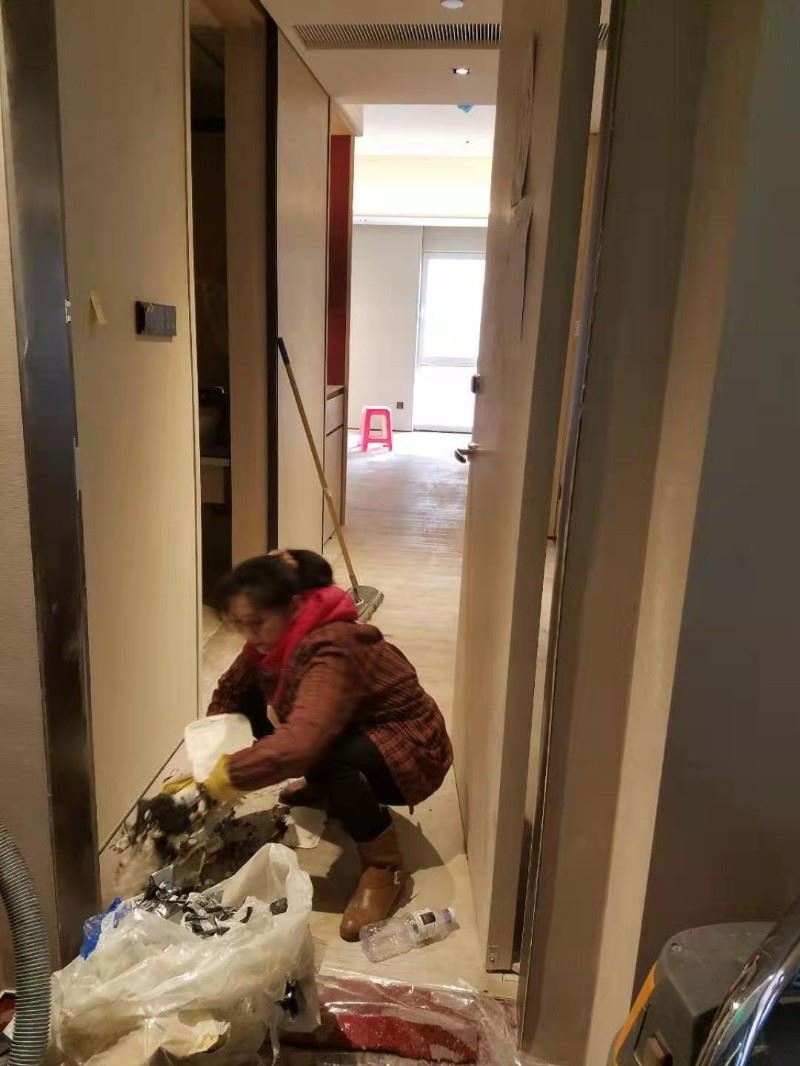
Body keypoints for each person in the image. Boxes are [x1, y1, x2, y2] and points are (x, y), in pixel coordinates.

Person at [193, 549, 453, 941]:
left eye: (257, 623)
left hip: (410, 749)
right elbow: (233, 690)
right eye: (240, 624)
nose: (250, 634)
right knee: (257, 709)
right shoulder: (273, 640)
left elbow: (303, 742)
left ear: (293, 606)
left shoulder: (333, 643)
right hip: (355, 730)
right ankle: (331, 789)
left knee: (325, 753)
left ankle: (384, 867)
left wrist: (227, 777)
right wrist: (213, 750)